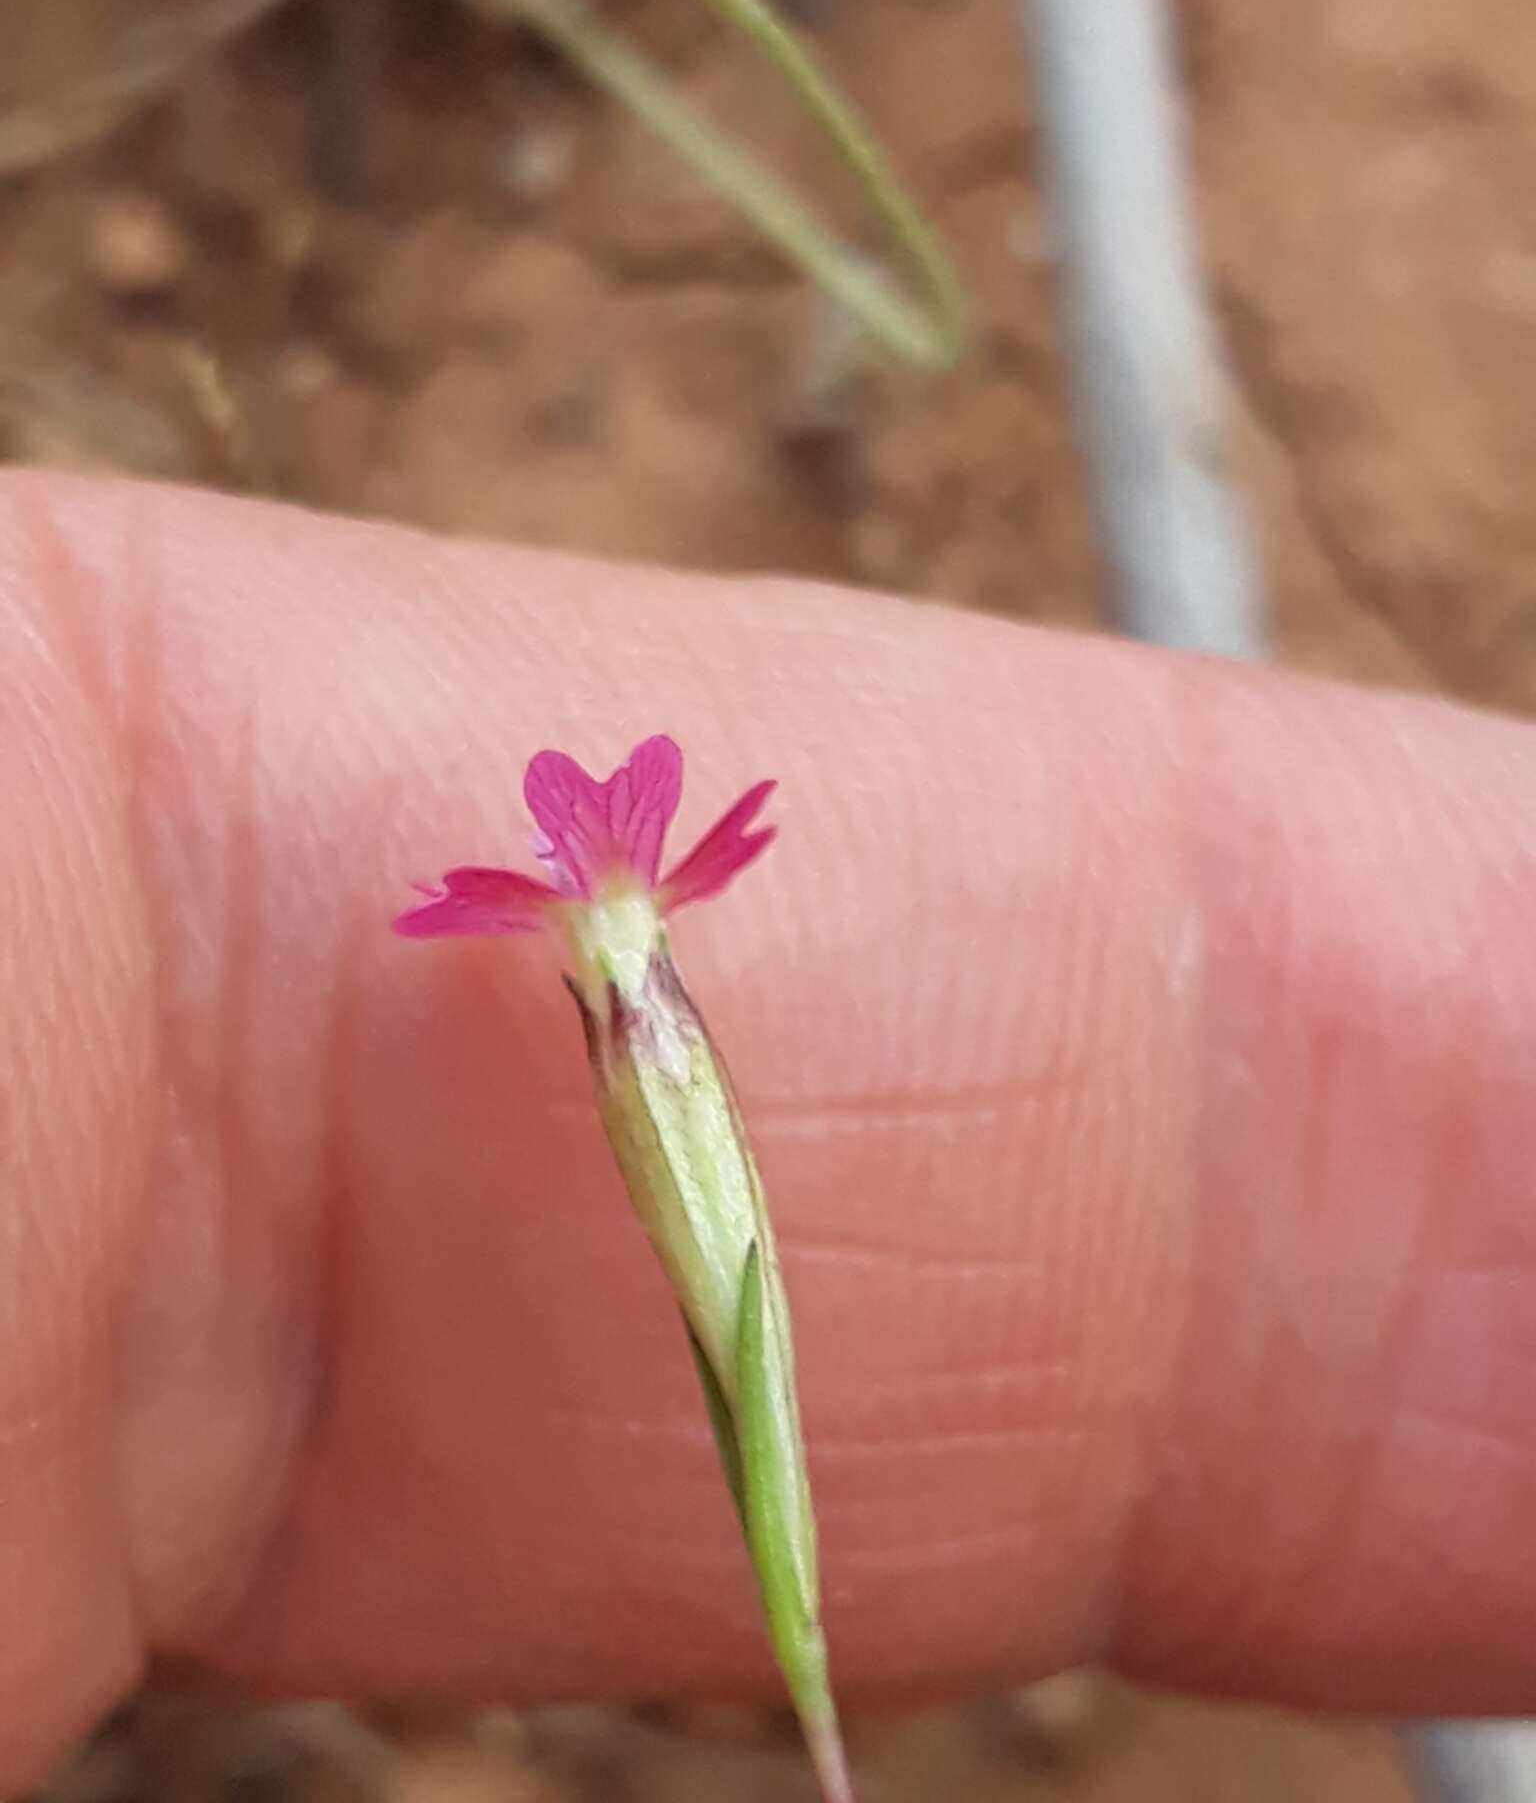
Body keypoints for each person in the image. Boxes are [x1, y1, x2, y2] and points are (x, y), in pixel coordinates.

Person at [2, 469, 1532, 1791]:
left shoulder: (626, 934)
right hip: (639, 1021)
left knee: (765, 1403)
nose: (592, 894)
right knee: (758, 1399)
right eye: (588, 914)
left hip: (643, 1020)